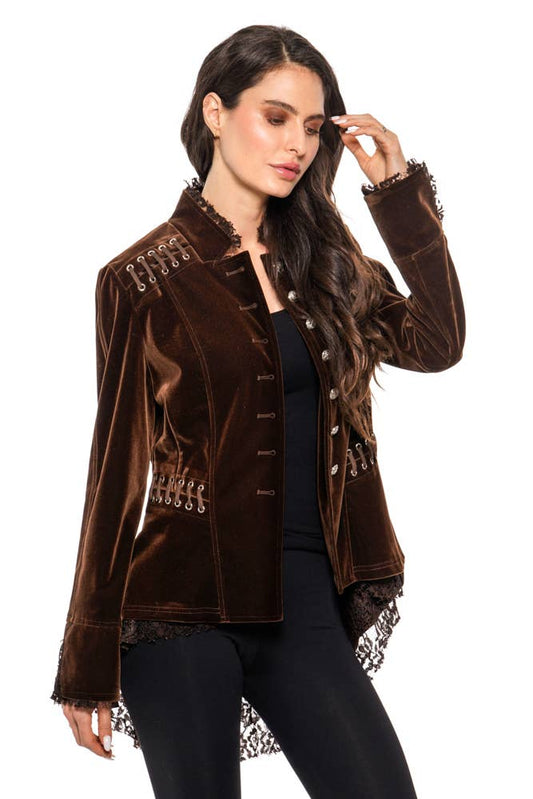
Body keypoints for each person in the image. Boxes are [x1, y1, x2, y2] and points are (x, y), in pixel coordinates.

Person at [50, 23, 465, 799]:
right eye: (274, 118)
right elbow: (115, 473)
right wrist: (85, 654)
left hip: (304, 604)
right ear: (215, 112)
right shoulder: (140, 279)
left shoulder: (328, 264)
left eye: (310, 126)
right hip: (178, 610)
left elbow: (437, 342)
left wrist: (399, 198)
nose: (296, 145)